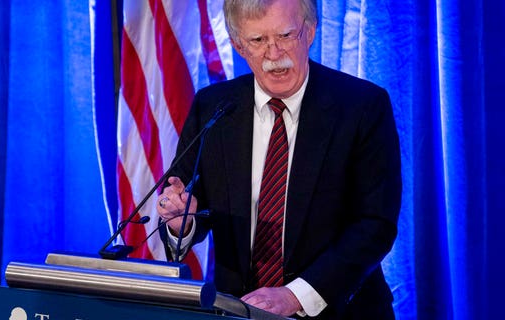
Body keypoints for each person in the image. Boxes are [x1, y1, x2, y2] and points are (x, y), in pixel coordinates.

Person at [156, 0, 401, 318]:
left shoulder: (363, 107)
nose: (274, 55)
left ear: (310, 32)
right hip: (238, 311)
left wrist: (295, 295)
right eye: (258, 41)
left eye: (286, 35)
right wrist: (180, 224)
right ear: (239, 45)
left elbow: (375, 225)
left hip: (342, 311)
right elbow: (187, 202)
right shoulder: (213, 107)